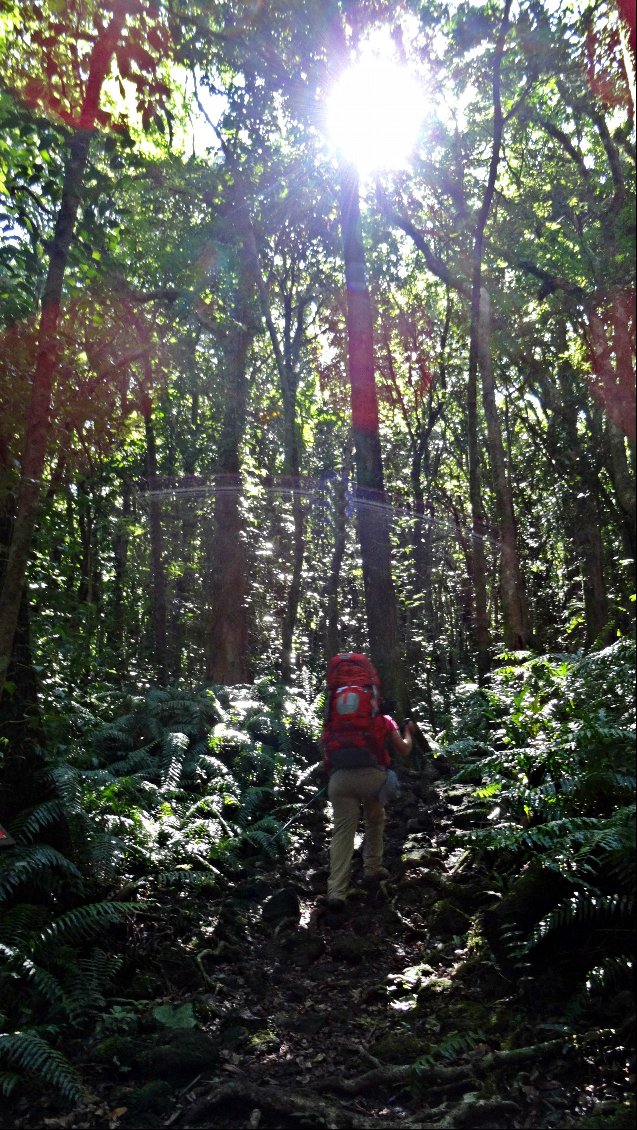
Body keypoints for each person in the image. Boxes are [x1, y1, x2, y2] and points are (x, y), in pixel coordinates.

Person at [324, 709, 415, 911]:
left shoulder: (336, 723)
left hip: (339, 781)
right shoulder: (383, 720)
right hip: (373, 779)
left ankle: (337, 892)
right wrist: (408, 731)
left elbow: (326, 756)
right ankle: (372, 868)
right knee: (375, 818)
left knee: (342, 833)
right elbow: (404, 750)